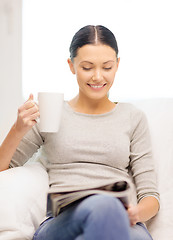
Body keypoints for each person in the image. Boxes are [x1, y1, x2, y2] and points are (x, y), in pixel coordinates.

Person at [0, 25, 159, 240]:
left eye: (107, 67)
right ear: (71, 65)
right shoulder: (51, 112)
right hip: (63, 222)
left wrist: (134, 213)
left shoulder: (132, 117)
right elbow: (3, 168)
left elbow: (150, 196)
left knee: (111, 216)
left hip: (121, 222)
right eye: (87, 67)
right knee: (102, 205)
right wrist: (17, 130)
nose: (97, 76)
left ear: (118, 65)